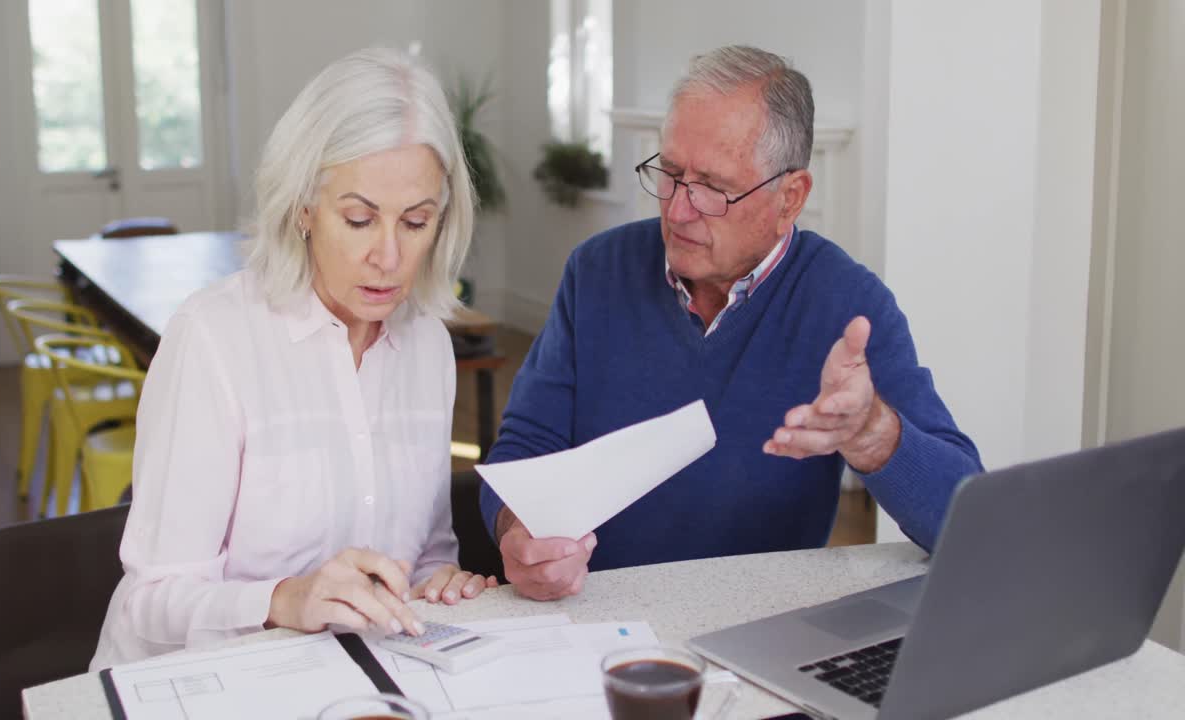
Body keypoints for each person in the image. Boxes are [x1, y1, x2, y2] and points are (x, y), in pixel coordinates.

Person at [479, 45, 982, 601]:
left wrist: (873, 436)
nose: (677, 209)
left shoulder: (847, 305)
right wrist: (515, 529)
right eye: (669, 173)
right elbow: (525, 449)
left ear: (790, 198)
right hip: (592, 613)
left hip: (757, 628)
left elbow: (967, 523)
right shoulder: (597, 271)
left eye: (713, 188)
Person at [92, 48, 496, 669]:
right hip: (193, 685)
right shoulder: (214, 338)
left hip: (347, 677)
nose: (388, 257)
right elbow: (153, 599)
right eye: (359, 219)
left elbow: (428, 550)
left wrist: (441, 579)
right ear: (304, 207)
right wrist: (285, 599)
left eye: (415, 222)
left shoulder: (427, 346)